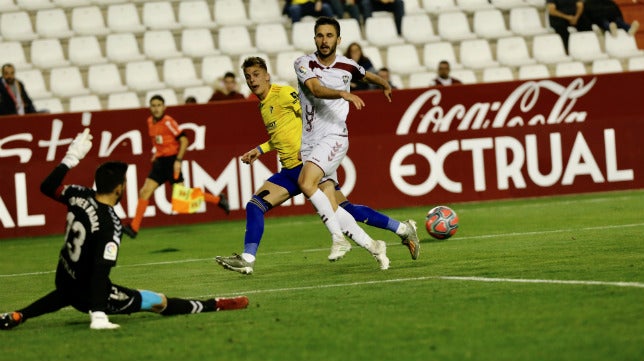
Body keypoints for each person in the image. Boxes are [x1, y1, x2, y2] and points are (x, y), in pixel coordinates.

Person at [0, 130, 248, 331]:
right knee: (157, 301)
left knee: (66, 293)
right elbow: (100, 272)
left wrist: (70, 159)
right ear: (119, 189)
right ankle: (212, 305)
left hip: (65, 279)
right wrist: (98, 313)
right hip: (90, 293)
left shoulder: (77, 195)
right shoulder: (110, 224)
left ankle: (19, 315)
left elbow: (47, 186)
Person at [214, 56, 419, 274]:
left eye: (256, 75)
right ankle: (247, 258)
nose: (252, 80)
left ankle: (392, 236)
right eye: (248, 77)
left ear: (267, 76)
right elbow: (281, 135)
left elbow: (309, 117)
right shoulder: (264, 105)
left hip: (308, 164)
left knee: (341, 211)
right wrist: (260, 150)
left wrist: (319, 150)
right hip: (290, 171)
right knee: (256, 206)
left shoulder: (283, 94)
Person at [295, 17, 396, 270]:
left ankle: (338, 239)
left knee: (306, 183)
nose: (324, 40)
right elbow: (316, 90)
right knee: (331, 203)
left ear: (338, 40)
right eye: (320, 35)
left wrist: (384, 83)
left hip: (335, 138)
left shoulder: (347, 65)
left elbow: (364, 74)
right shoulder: (303, 63)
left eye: (329, 36)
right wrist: (343, 93)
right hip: (310, 143)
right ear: (314, 38)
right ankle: (375, 246)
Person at [123, 95, 229, 239]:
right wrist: (156, 153)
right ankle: (134, 228)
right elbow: (158, 141)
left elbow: (184, 140)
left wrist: (178, 160)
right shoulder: (150, 122)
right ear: (150, 107)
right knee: (145, 192)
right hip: (160, 163)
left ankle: (217, 200)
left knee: (183, 200)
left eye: (159, 105)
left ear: (164, 107)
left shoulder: (168, 122)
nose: (156, 108)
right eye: (153, 105)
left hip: (172, 162)